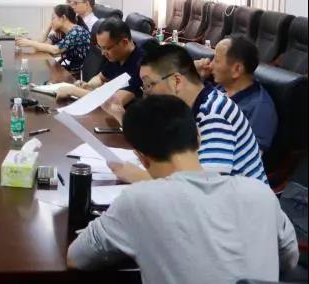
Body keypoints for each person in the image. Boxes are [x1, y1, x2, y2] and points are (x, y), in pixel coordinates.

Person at [67, 95, 298, 284]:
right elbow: (289, 259)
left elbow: (77, 257)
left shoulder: (139, 201)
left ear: (141, 157)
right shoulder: (260, 193)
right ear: (199, 137)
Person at [112, 44, 268, 184]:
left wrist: (140, 177)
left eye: (149, 84)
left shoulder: (214, 114)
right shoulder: (186, 108)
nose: (147, 93)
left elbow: (206, 186)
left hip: (241, 205)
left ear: (176, 81)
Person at [195, 35, 278, 152]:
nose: (210, 64)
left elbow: (249, 157)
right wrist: (194, 77)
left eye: (216, 60)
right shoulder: (220, 88)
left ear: (237, 69)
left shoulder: (260, 109)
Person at [55, 18, 144, 108]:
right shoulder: (117, 56)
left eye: (106, 48)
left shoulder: (142, 64)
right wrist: (89, 85)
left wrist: (73, 91)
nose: (102, 53)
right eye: (100, 47)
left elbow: (115, 102)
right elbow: (101, 78)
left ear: (124, 42)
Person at [16, 4, 90, 74]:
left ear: (63, 18)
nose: (51, 22)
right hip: (68, 68)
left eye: (53, 18)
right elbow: (42, 45)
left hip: (77, 72)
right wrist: (48, 29)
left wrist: (29, 43)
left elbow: (55, 50)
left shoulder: (76, 32)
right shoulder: (63, 32)